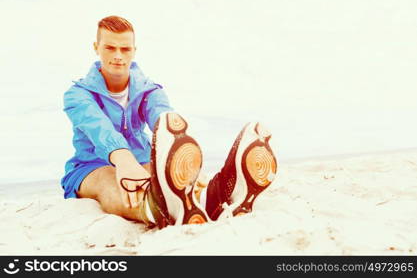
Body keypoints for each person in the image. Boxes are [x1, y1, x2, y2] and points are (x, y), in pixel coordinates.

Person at [62, 15, 277, 229]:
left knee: (162, 178)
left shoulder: (149, 90)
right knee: (110, 179)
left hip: (141, 160)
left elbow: (163, 120)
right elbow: (99, 128)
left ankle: (216, 194)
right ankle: (158, 210)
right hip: (90, 166)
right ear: (96, 47)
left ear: (134, 51)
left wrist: (187, 166)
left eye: (125, 49)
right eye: (110, 47)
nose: (118, 55)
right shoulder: (77, 95)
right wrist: (123, 160)